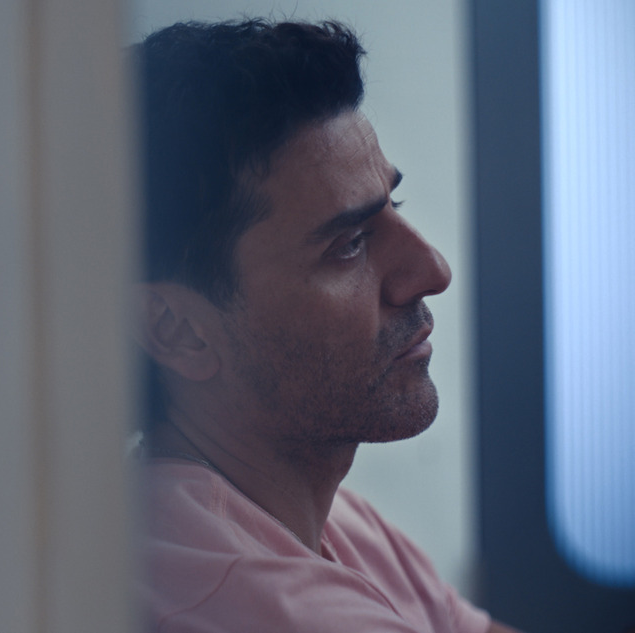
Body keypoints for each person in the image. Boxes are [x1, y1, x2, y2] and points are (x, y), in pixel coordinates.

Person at [134, 20, 518, 632]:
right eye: (349, 244)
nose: (431, 271)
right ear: (178, 330)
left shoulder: (330, 519)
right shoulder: (234, 595)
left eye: (395, 207)